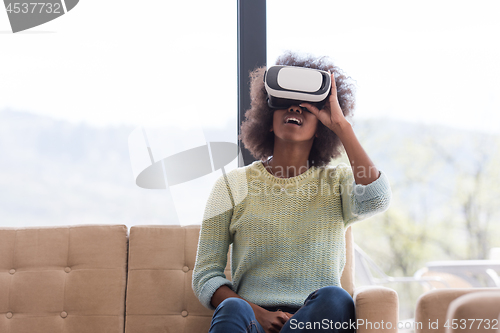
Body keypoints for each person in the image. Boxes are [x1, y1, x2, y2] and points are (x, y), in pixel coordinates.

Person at [192, 51, 392, 333]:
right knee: (233, 307)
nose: (295, 109)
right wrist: (257, 313)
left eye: (307, 106)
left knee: (337, 298)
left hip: (316, 321)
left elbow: (376, 198)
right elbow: (205, 276)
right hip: (252, 320)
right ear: (267, 117)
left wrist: (342, 127)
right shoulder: (231, 185)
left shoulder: (338, 182)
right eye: (284, 103)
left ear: (322, 127)